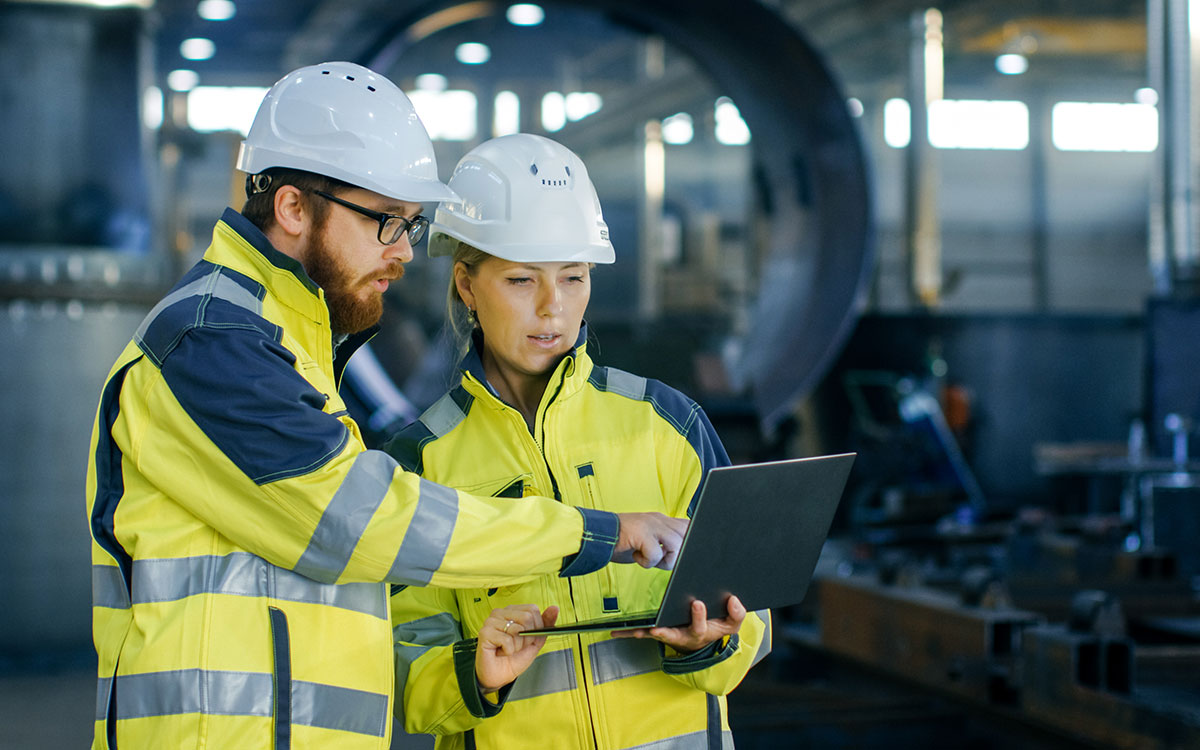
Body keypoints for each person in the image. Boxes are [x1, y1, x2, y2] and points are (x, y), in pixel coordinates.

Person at [84, 63, 688, 750]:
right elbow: (359, 521)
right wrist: (591, 533)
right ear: (291, 208)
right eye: (386, 222)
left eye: (411, 224)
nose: (404, 252)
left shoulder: (287, 341)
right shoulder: (211, 340)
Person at [385, 134, 771, 749]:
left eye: (573, 277)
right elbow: (401, 669)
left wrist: (716, 640)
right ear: (466, 286)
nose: (552, 308)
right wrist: (476, 675)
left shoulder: (667, 422)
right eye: (519, 280)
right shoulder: (420, 463)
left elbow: (755, 611)